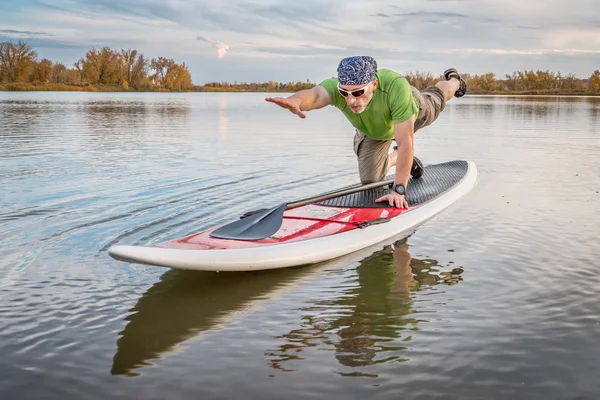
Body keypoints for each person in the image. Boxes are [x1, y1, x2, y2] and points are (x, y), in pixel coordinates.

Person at [265, 56, 467, 209]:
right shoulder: (338, 88)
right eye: (345, 93)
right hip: (374, 132)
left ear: (374, 84)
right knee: (371, 183)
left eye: (358, 92)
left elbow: (406, 143)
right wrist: (296, 100)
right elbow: (315, 95)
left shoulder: (397, 88)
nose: (351, 100)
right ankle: (402, 160)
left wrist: (399, 190)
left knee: (438, 97)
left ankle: (455, 80)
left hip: (410, 113)